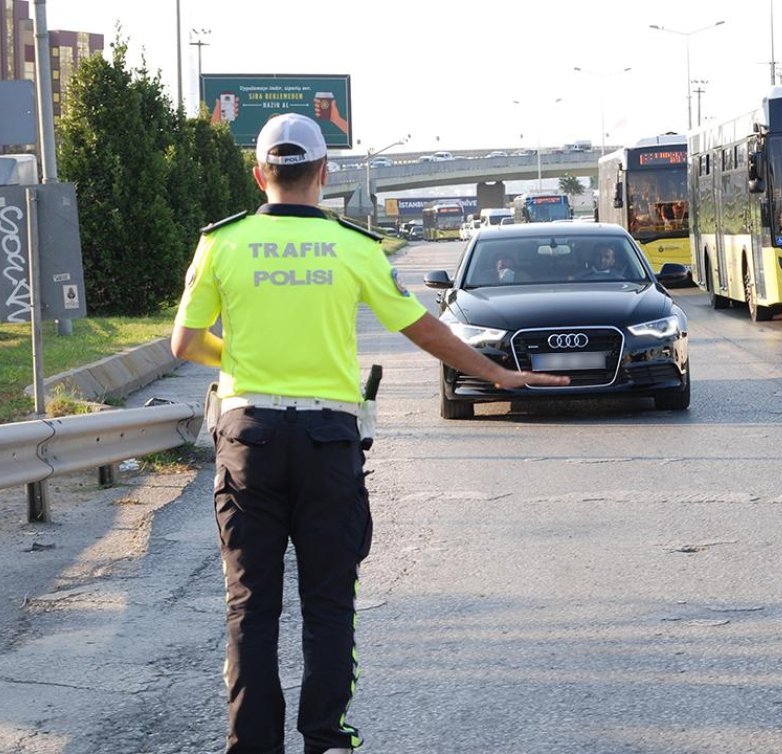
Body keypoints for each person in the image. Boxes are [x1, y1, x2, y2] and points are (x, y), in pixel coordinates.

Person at [171, 113, 567, 754]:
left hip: (249, 439)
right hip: (329, 440)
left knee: (251, 607)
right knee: (328, 603)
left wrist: (245, 361)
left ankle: (250, 747)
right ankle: (326, 740)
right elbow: (421, 328)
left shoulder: (222, 243)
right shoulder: (353, 246)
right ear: (324, 175)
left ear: (258, 173)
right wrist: (496, 372)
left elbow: (184, 343)